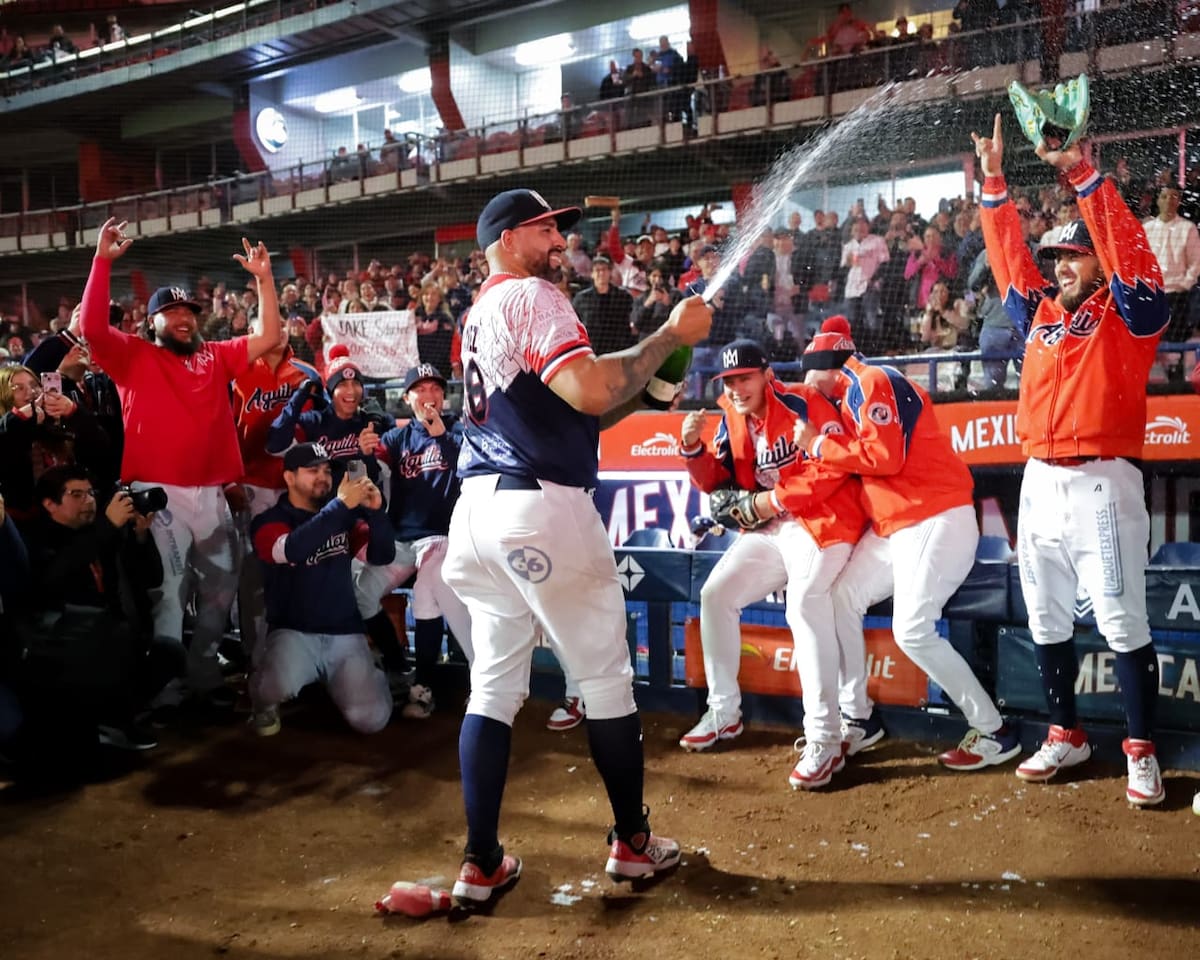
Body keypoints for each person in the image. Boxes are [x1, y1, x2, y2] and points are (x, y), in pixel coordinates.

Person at [439, 188, 712, 908]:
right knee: (605, 682)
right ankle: (632, 844)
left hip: (477, 516)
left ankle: (481, 862)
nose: (559, 240)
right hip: (540, 508)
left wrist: (670, 346)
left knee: (494, 689)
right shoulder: (531, 295)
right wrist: (666, 333)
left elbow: (597, 400)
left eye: (560, 230)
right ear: (502, 240)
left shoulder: (479, 313)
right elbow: (592, 390)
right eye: (543, 229)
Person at [973, 113, 1169, 805]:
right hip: (1041, 481)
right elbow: (1008, 262)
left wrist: (1081, 174)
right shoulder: (1042, 316)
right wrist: (994, 185)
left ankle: (1141, 751)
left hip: (1103, 484)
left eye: (1075, 255)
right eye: (1058, 256)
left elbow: (1129, 252)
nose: (1061, 265)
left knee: (1121, 622)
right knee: (1046, 619)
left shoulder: (1132, 314)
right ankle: (1066, 732)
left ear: (1102, 263)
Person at [796, 318, 1019, 771]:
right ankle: (858, 717)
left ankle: (994, 731)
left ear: (823, 363)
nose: (805, 382)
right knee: (840, 597)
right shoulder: (853, 391)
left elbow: (885, 458)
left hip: (934, 516)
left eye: (808, 370)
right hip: (898, 523)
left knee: (912, 629)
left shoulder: (871, 380)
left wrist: (818, 446)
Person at [79, 222, 283, 710]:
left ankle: (203, 677)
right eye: (170, 313)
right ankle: (164, 688)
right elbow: (90, 328)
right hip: (157, 496)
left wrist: (264, 280)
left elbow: (270, 334)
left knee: (219, 594)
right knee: (169, 596)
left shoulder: (214, 356)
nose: (182, 319)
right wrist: (102, 261)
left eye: (187, 311)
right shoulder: (132, 357)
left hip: (211, 494)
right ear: (151, 323)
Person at [677, 340, 868, 789]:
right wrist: (691, 449)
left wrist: (773, 499)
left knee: (802, 604)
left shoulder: (805, 401)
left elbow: (834, 466)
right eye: (729, 382)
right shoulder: (731, 414)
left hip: (822, 521)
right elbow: (718, 483)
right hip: (772, 529)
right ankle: (724, 711)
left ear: (766, 374)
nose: (737, 388)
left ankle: (824, 736)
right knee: (716, 593)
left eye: (744, 378)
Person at [17, 466, 170, 757]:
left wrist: (140, 536)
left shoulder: (102, 532)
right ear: (50, 504)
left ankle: (115, 716)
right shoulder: (37, 538)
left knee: (168, 653)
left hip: (109, 642)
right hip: (59, 650)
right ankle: (99, 722)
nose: (89, 500)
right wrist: (107, 528)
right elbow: (53, 579)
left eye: (90, 493)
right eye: (77, 494)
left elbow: (151, 579)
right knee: (114, 637)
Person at [248, 443, 394, 736]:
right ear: (289, 477)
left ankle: (359, 674)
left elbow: (381, 556)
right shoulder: (269, 521)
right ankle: (261, 693)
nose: (323, 478)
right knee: (274, 688)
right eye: (312, 470)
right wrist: (340, 506)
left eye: (326, 471)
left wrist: (376, 514)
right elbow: (291, 549)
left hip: (344, 632)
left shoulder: (343, 516)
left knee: (371, 720)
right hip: (293, 632)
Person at [355, 364, 472, 719]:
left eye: (435, 388)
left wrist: (440, 435)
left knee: (426, 591)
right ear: (407, 399)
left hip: (444, 537)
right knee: (358, 594)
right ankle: (398, 666)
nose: (429, 396)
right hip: (404, 541)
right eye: (420, 390)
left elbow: (468, 466)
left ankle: (427, 685)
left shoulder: (458, 430)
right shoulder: (400, 438)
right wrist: (364, 450)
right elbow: (370, 467)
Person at [1141, 185, 1200, 381]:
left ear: (1179, 201)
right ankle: (1149, 386)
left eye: (1174, 196)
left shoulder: (1188, 228)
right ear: (1158, 200)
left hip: (1177, 294)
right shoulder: (1147, 229)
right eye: (1164, 196)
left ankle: (1175, 386)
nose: (1169, 201)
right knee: (1149, 342)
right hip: (1152, 294)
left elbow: (1195, 263)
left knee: (1177, 344)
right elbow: (1141, 261)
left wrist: (1184, 284)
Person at [572, 257, 637, 355]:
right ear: (592, 274)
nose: (601, 273)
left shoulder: (623, 296)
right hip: (592, 350)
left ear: (610, 272)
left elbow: (631, 319)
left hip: (618, 349)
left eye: (604, 269)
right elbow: (575, 324)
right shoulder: (581, 298)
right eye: (597, 270)